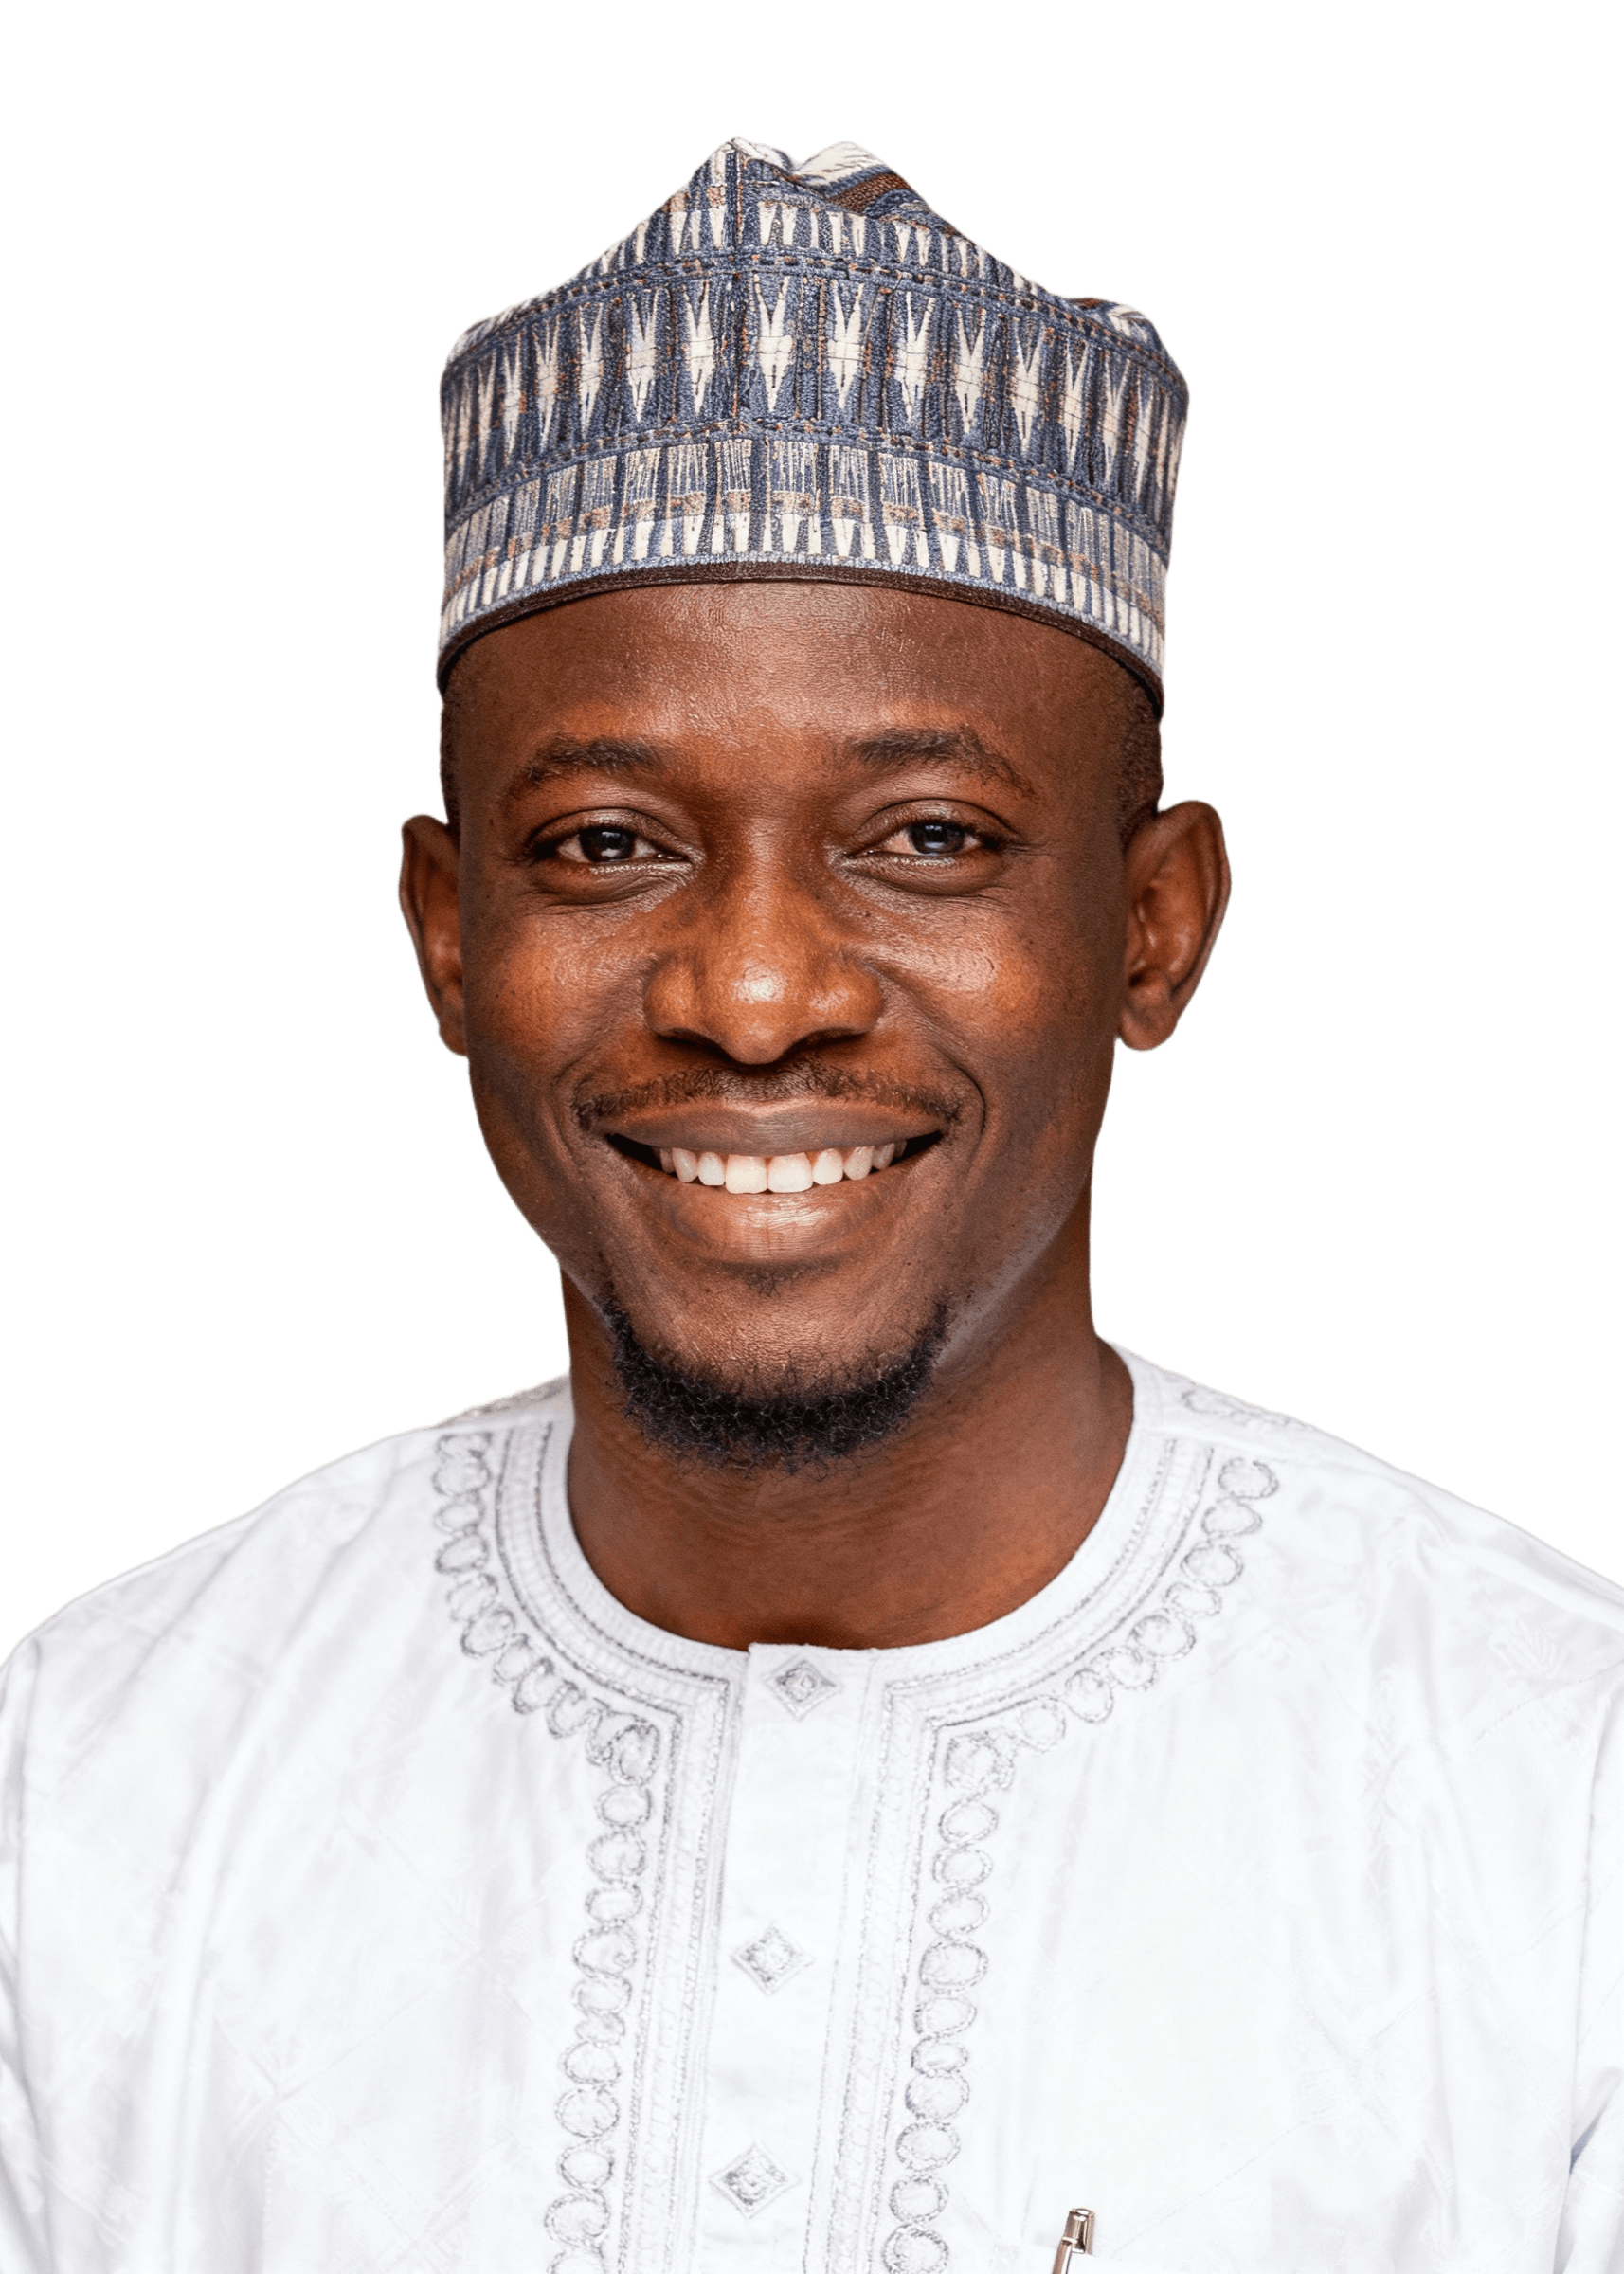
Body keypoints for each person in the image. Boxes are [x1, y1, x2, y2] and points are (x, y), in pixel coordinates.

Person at [0, 135, 1617, 2274]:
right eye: (601, 845)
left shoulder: (1547, 1799)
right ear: (444, 935)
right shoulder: (95, 1788)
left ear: (1150, 929)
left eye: (927, 837)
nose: (752, 992)